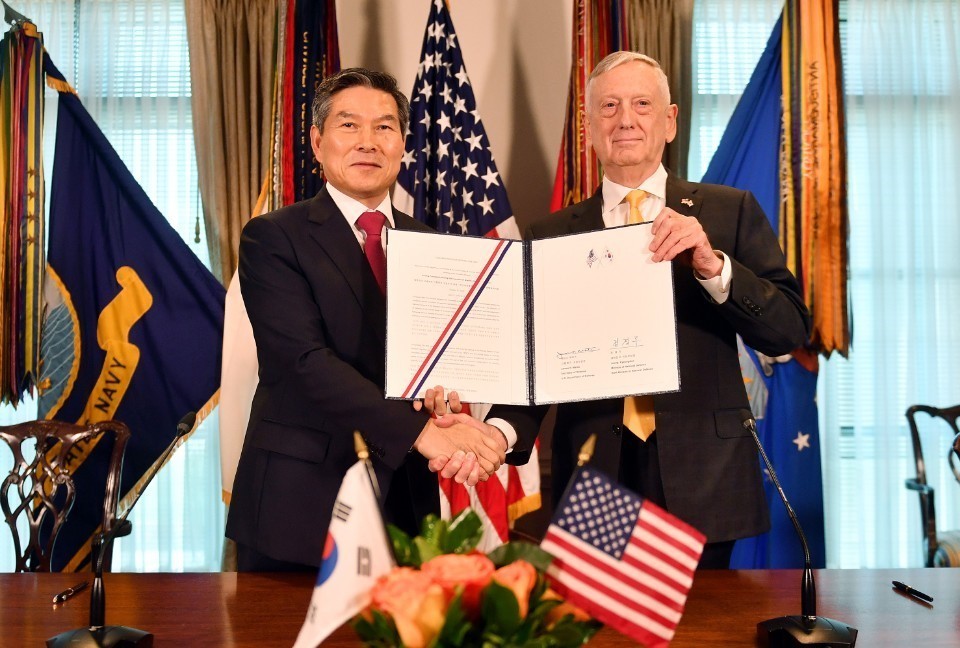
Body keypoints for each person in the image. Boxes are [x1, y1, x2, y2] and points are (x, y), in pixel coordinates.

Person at [491, 52, 811, 569]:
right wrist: (499, 432)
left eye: (642, 103)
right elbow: (533, 363)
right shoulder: (550, 235)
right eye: (609, 106)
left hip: (704, 473)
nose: (625, 119)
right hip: (596, 472)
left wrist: (712, 267)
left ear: (670, 121)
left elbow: (787, 330)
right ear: (589, 125)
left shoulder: (729, 213)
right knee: (603, 634)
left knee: (700, 635)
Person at [226, 68, 531, 572]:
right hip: (299, 507)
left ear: (403, 144)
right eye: (349, 126)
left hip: (406, 503)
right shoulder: (273, 237)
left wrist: (470, 417)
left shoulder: (440, 248)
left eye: (385, 127)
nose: (368, 141)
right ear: (318, 142)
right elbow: (304, 363)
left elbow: (460, 362)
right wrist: (425, 435)